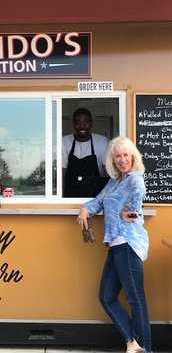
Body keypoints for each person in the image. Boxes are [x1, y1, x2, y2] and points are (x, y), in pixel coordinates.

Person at [77, 136, 152, 353]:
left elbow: (136, 205)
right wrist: (85, 209)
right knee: (107, 296)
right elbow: (99, 200)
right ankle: (132, 341)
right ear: (112, 159)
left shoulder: (135, 179)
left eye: (125, 155)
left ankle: (145, 348)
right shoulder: (115, 181)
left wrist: (127, 212)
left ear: (132, 156)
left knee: (136, 299)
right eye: (117, 156)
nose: (122, 160)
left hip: (128, 243)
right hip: (116, 244)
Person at [62, 107, 109, 197]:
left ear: (91, 123)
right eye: (78, 122)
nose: (82, 126)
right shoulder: (64, 142)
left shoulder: (102, 141)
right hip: (70, 197)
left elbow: (107, 172)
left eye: (86, 122)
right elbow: (62, 173)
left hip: (95, 198)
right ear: (73, 124)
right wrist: (60, 198)